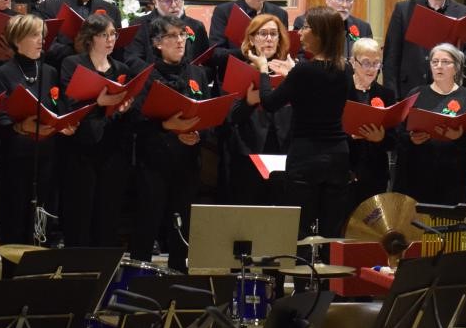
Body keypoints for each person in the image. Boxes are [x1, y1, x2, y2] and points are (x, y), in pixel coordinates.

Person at [246, 7, 350, 243]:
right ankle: (327, 280)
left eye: (305, 27)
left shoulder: (304, 70)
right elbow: (317, 91)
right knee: (330, 234)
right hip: (338, 156)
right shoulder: (345, 68)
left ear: (320, 34)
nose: (300, 33)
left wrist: (263, 70)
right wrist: (291, 74)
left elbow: (270, 103)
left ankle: (304, 280)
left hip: (307, 156)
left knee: (300, 233)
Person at [131, 15, 212, 271]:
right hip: (154, 163)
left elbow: (210, 116)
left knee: (182, 228)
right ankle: (137, 282)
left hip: (187, 163)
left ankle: (178, 280)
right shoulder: (147, 76)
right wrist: (167, 126)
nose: (180, 41)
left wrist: (198, 134)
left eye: (183, 35)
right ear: (157, 43)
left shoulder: (197, 73)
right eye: (172, 36)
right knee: (147, 224)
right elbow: (136, 121)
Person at [0, 14, 74, 247]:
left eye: (42, 36)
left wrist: (65, 123)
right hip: (13, 161)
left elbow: (59, 108)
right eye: (35, 35)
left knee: (41, 224)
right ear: (17, 39)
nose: (41, 41)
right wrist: (21, 125)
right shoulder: (2, 74)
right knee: (14, 225)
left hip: (45, 159)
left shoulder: (49, 72)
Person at [58, 14, 135, 247]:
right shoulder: (73, 64)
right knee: (80, 214)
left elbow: (126, 112)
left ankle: (104, 274)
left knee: (107, 214)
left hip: (112, 150)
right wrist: (99, 104)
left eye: (113, 34)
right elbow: (70, 103)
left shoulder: (121, 69)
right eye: (104, 35)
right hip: (82, 149)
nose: (111, 39)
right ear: (91, 38)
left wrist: (123, 107)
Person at [395, 43, 466, 205]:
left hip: (454, 174)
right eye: (434, 62)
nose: (439, 66)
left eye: (445, 62)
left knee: (448, 223)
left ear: (456, 67)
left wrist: (458, 136)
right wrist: (412, 139)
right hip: (418, 172)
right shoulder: (416, 93)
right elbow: (400, 133)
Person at [225, 14, 293, 205]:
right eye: (263, 34)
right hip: (249, 152)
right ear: (252, 39)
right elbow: (230, 117)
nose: (269, 38)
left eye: (274, 34)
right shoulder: (240, 70)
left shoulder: (290, 71)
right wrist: (249, 101)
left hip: (283, 151)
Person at [209, 0, 288, 73]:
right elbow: (216, 54)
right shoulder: (224, 12)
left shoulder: (279, 14)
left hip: (270, 78)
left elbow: (283, 50)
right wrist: (248, 51)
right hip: (233, 77)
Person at [346, 38, 396, 206]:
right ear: (353, 62)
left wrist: (380, 138)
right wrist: (349, 135)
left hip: (375, 173)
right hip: (345, 170)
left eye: (376, 64)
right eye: (366, 63)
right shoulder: (340, 90)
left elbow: (396, 139)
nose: (372, 69)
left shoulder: (386, 94)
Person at [126, 0, 210, 70]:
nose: (174, 5)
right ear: (155, 2)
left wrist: (194, 76)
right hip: (153, 82)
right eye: (167, 0)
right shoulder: (139, 26)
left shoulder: (196, 26)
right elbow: (132, 60)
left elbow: (207, 63)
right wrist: (160, 80)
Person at [293, 0, 373, 59]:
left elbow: (372, 61)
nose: (344, 5)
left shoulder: (363, 27)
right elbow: (300, 59)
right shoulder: (305, 23)